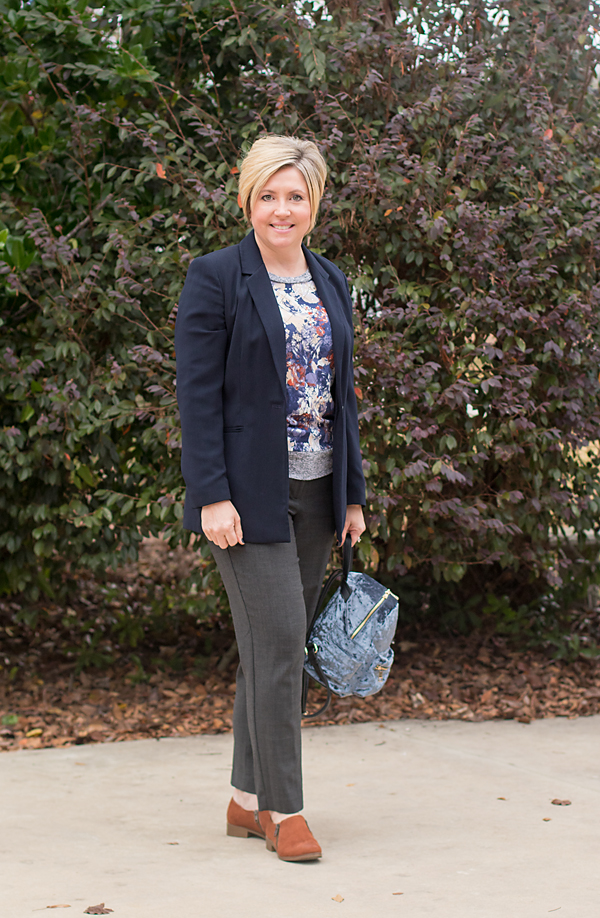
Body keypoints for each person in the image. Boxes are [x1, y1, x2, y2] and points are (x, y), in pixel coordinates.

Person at [175, 134, 366, 862]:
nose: (281, 209)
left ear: (314, 204)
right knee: (281, 641)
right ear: (248, 201)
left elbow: (342, 399)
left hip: (320, 489)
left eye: (296, 196)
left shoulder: (330, 280)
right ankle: (284, 810)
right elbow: (197, 397)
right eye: (268, 195)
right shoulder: (216, 276)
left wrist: (352, 494)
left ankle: (244, 799)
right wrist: (210, 496)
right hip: (246, 496)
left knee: (270, 648)